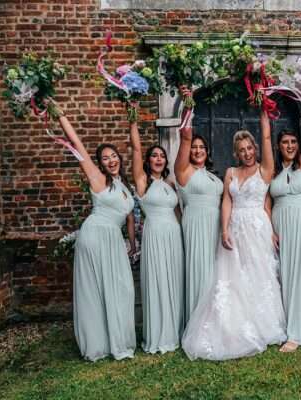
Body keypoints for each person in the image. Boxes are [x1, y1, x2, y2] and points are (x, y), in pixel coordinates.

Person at [182, 109, 286, 360]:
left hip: (258, 228)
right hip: (235, 230)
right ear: (236, 153)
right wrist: (225, 229)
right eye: (242, 150)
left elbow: (267, 139)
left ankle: (264, 325)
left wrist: (264, 115)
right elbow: (226, 202)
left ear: (255, 148)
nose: (247, 153)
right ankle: (232, 326)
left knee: (259, 275)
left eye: (250, 148)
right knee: (233, 278)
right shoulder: (230, 172)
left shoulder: (265, 170)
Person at [55, 102, 136, 361]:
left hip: (114, 237)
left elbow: (130, 218)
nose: (110, 161)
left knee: (120, 288)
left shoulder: (124, 186)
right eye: (105, 158)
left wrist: (133, 244)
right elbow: (77, 145)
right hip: (95, 233)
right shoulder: (98, 179)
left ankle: (117, 338)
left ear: (118, 159)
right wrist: (62, 117)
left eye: (113, 156)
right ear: (99, 164)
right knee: (96, 289)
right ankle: (98, 344)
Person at [269, 88, 301, 352]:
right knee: (284, 275)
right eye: (285, 143)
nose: (290, 146)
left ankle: (300, 331)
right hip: (281, 225)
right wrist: (270, 230)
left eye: (293, 142)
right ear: (278, 147)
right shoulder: (274, 173)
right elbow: (265, 204)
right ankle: (283, 324)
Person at [128, 112, 184, 354]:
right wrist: (132, 117)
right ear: (148, 161)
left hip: (173, 234)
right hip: (154, 233)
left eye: (162, 155)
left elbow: (180, 213)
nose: (158, 159)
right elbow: (136, 149)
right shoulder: (142, 181)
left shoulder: (171, 183)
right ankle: (159, 334)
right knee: (157, 279)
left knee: (174, 280)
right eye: (154, 156)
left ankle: (176, 330)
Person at [174, 88, 224, 324]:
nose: (197, 150)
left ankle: (216, 321)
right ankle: (197, 322)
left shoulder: (213, 176)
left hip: (216, 225)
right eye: (194, 147)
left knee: (217, 270)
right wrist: (188, 103)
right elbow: (185, 135)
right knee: (199, 268)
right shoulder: (183, 172)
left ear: (207, 151)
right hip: (195, 223)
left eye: (201, 147)